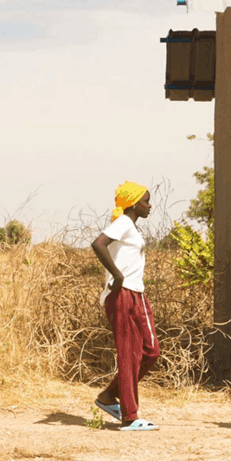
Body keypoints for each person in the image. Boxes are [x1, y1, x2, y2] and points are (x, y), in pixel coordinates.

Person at [91, 181, 160, 432]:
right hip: (122, 294)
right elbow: (98, 244)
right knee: (129, 353)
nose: (150, 205)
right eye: (145, 201)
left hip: (137, 293)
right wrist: (117, 276)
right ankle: (130, 417)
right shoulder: (123, 222)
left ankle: (109, 396)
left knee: (151, 352)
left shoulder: (131, 227)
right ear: (132, 203)